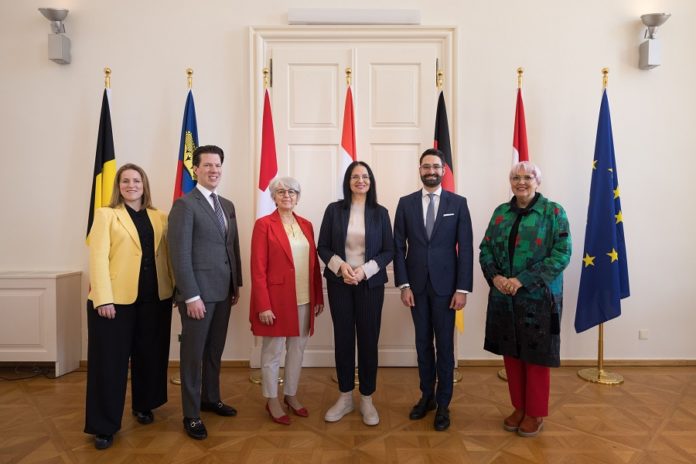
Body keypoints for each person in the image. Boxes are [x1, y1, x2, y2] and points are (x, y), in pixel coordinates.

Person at [85, 163, 174, 450]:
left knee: (150, 356)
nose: (131, 185)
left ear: (144, 185)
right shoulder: (106, 215)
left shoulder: (160, 216)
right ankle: (104, 425)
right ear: (118, 186)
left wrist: (174, 289)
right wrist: (103, 298)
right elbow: (97, 258)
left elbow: (167, 256)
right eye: (125, 181)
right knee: (109, 364)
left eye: (137, 180)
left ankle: (144, 405)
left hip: (154, 299)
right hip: (114, 302)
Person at [479, 161, 571, 437]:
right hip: (504, 298)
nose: (521, 182)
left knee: (536, 357)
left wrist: (522, 280)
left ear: (537, 182)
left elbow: (562, 254)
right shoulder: (501, 213)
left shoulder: (554, 212)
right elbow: (485, 249)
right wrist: (496, 277)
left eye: (528, 177)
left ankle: (535, 413)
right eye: (516, 177)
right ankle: (519, 407)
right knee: (511, 354)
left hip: (539, 300)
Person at [393, 148, 473, 431]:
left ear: (443, 170)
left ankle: (443, 404)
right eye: (426, 166)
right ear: (420, 170)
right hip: (415, 288)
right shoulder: (405, 204)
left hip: (447, 289)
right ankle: (426, 396)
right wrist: (404, 285)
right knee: (422, 344)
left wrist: (462, 289)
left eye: (435, 167)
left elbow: (465, 249)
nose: (431, 171)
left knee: (445, 347)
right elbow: (398, 247)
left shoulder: (458, 204)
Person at [168, 145, 242, 440]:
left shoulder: (227, 205)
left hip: (223, 291)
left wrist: (236, 284)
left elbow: (232, 248)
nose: (214, 170)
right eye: (208, 165)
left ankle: (211, 398)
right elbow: (179, 255)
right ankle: (191, 414)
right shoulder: (185, 205)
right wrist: (190, 296)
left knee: (214, 351)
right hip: (198, 295)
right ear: (196, 169)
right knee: (193, 355)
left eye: (218, 165)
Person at [318, 161, 393, 426]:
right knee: (344, 339)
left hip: (369, 285)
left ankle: (367, 399)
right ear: (348, 181)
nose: (360, 180)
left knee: (369, 341)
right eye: (355, 176)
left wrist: (364, 271)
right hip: (340, 284)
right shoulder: (333, 210)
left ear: (371, 182)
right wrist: (342, 267)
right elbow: (323, 247)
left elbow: (388, 251)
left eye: (365, 176)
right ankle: (345, 397)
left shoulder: (381, 213)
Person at [250, 177, 324, 425]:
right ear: (273, 197)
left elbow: (314, 265)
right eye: (281, 191)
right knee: (272, 352)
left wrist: (318, 296)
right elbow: (258, 269)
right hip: (276, 301)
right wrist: (263, 305)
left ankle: (290, 394)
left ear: (298, 197)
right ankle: (272, 399)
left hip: (304, 299)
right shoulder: (264, 225)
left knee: (297, 350)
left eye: (292, 191)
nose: (286, 195)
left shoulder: (306, 225)